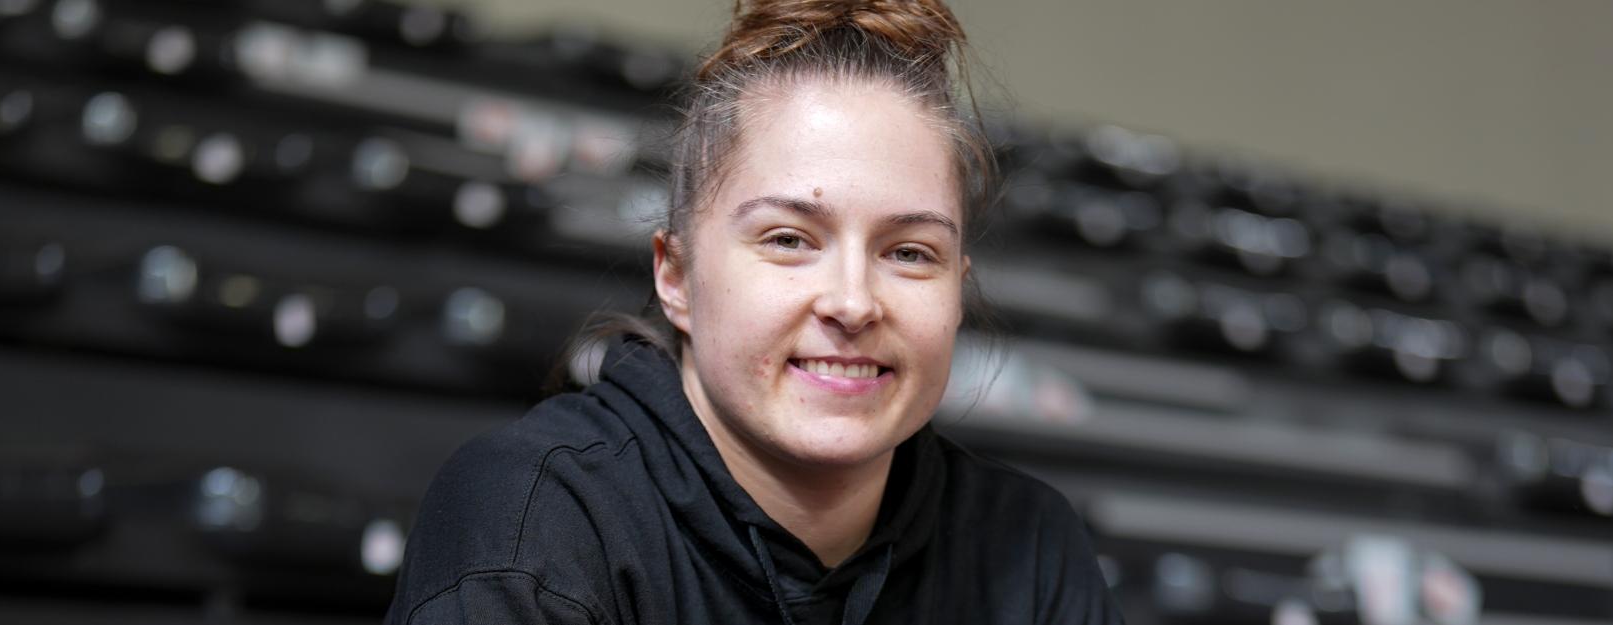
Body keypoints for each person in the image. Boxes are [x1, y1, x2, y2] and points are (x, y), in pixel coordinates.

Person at [384, 0, 1124, 623]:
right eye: (789, 239)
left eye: (909, 253)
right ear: (676, 274)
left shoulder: (1030, 555)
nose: (853, 302)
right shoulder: (533, 526)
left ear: (957, 288)